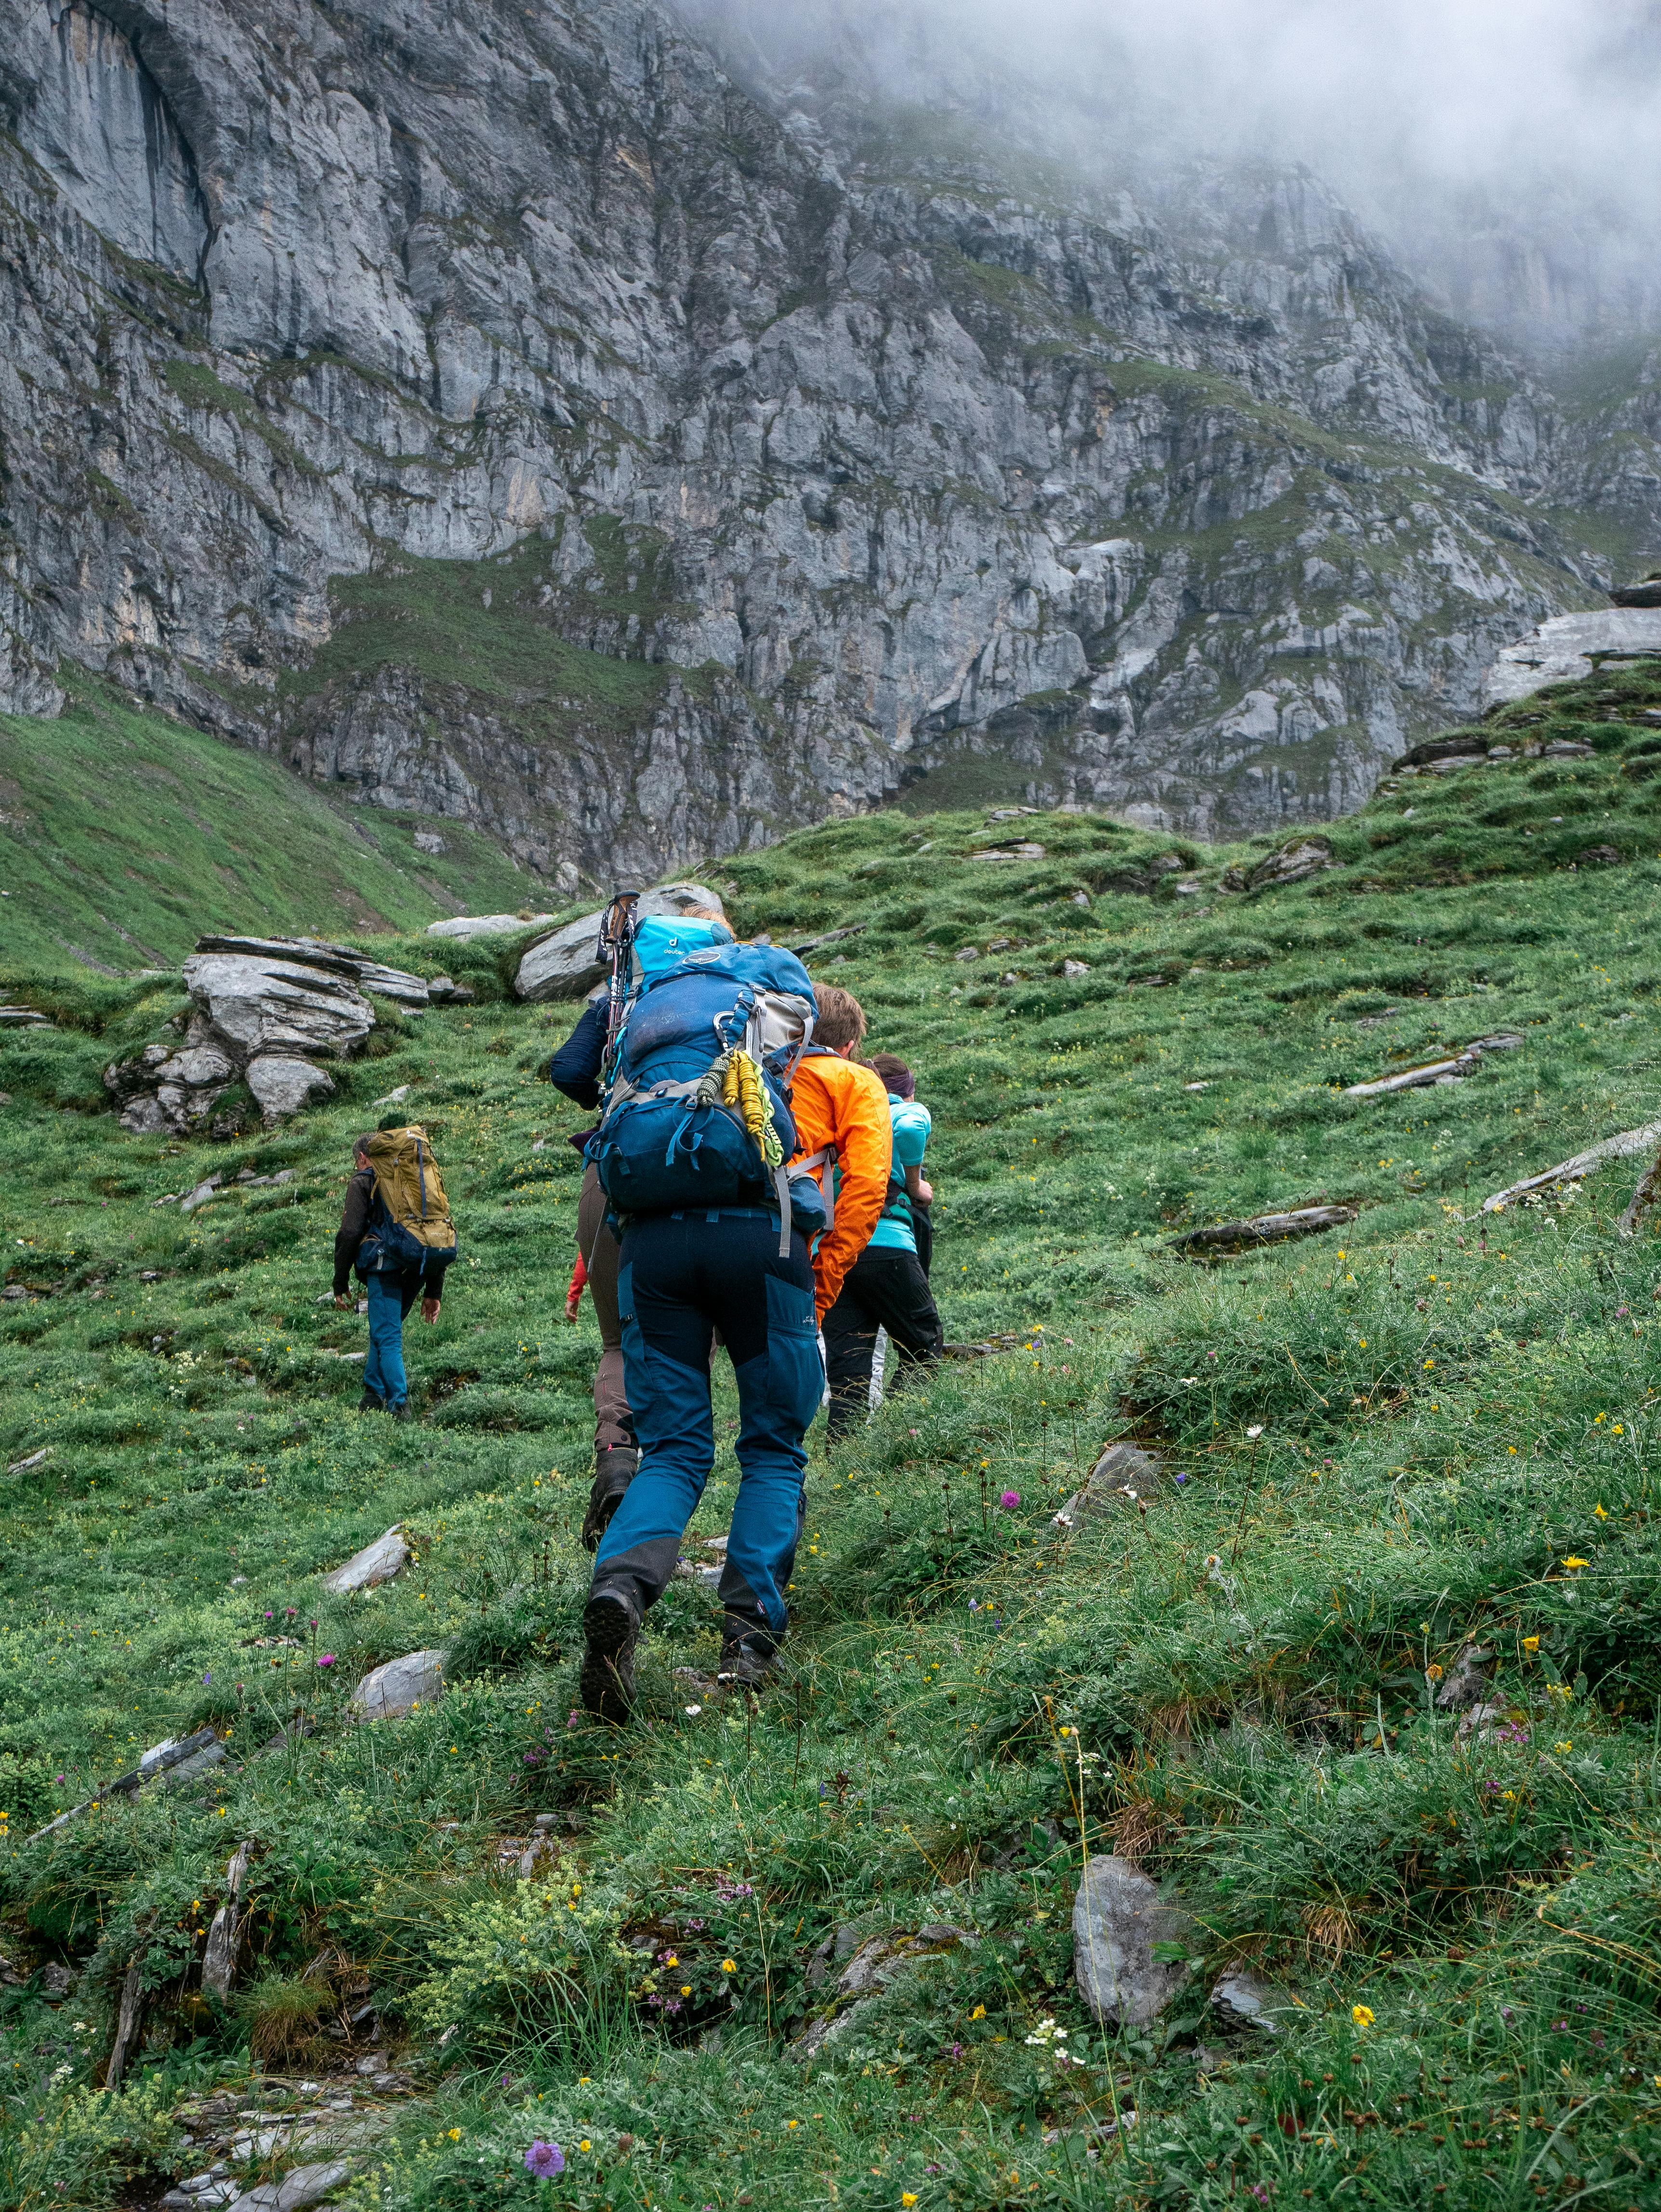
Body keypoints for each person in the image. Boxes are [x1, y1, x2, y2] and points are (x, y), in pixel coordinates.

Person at [579, 965, 881, 1719]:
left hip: (655, 1248)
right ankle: (748, 1640)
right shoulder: (805, 1060)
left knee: (676, 1450)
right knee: (774, 1450)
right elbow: (868, 1183)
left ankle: (620, 1587)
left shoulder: (654, 1048)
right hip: (762, 1244)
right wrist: (822, 1284)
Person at [551, 908, 734, 1550]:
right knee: (690, 1333)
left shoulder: (619, 1002)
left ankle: (617, 1462)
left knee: (618, 1345)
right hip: (710, 1176)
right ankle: (668, 1473)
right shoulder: (736, 999)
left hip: (616, 1171)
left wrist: (614, 1107)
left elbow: (568, 1070)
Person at [822, 1051, 942, 1442]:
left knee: (848, 1373)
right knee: (923, 1346)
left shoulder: (841, 1118)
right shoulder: (898, 1110)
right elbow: (909, 1129)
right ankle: (896, 1434)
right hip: (888, 1246)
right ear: (906, 1091)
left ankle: (845, 1459)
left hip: (839, 1253)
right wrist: (913, 1185)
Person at [331, 1119, 452, 1420]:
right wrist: (433, 1290)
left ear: (363, 1157)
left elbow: (348, 1234)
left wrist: (340, 1280)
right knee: (385, 1328)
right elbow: (433, 1229)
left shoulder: (364, 1181)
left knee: (387, 1335)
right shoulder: (415, 1181)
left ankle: (399, 1405)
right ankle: (373, 1392)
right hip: (417, 1264)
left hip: (384, 1267)